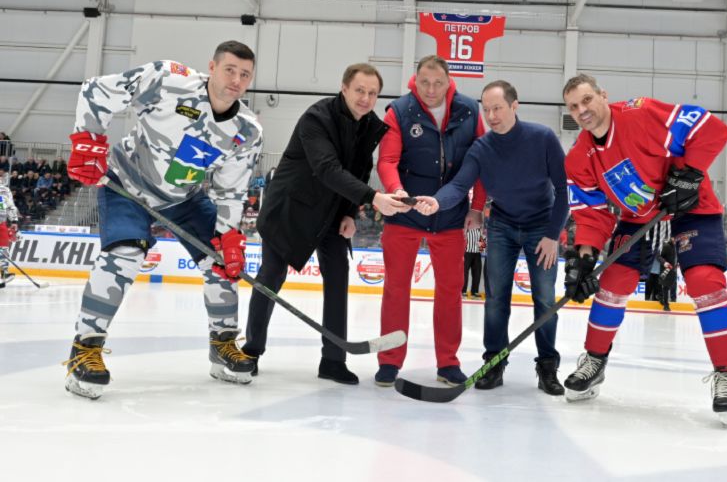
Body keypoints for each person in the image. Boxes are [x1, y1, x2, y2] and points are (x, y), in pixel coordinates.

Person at [61, 40, 263, 399]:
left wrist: (228, 236)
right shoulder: (169, 80)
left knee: (221, 260)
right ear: (212, 67)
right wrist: (88, 140)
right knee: (124, 255)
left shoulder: (247, 131)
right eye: (230, 70)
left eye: (245, 75)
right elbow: (97, 90)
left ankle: (222, 345)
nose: (236, 80)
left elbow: (230, 192)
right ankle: (85, 349)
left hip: (183, 199)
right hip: (127, 184)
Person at [561, 73, 727, 425]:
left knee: (705, 280)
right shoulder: (579, 158)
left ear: (603, 95)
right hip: (640, 217)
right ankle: (595, 359)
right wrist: (584, 260)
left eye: (586, 100)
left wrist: (689, 174)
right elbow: (592, 214)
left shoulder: (641, 114)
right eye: (573, 106)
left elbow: (711, 128)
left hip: (690, 206)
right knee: (613, 280)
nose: (582, 110)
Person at [242, 63, 406, 385]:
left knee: (338, 279)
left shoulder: (370, 126)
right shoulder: (317, 118)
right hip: (289, 210)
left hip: (331, 213)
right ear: (344, 88)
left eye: (373, 93)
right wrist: (374, 198)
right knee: (271, 276)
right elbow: (327, 168)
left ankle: (333, 360)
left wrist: (350, 213)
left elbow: (359, 170)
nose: (366, 98)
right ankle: (251, 351)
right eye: (360, 90)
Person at [415, 80, 569, 394]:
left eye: (497, 108)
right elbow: (460, 185)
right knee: (496, 299)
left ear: (514, 106)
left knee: (544, 298)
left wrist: (553, 234)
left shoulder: (542, 138)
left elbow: (564, 190)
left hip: (542, 226)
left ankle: (547, 366)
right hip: (502, 225)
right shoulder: (482, 148)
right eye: (486, 110)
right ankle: (494, 363)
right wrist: (437, 201)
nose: (491, 116)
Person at [374, 55, 486, 387]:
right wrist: (396, 191)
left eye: (438, 82)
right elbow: (387, 160)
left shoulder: (470, 111)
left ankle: (448, 362)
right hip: (404, 214)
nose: (431, 89)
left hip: (449, 215)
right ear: (415, 80)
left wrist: (477, 207)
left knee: (450, 291)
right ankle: (389, 360)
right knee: (396, 289)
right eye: (424, 82)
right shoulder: (399, 110)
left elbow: (481, 161)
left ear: (449, 81)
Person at [0, 181, 19, 288]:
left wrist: (14, 221)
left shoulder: (4, 190)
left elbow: (10, 206)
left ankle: (4, 275)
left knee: (4, 249)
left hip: (1, 224)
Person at [462, 226, 483, 298]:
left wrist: (481, 246)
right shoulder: (465, 228)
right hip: (466, 253)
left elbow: (482, 243)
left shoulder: (479, 229)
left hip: (477, 254)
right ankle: (463, 291)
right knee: (464, 274)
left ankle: (474, 292)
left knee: (477, 273)